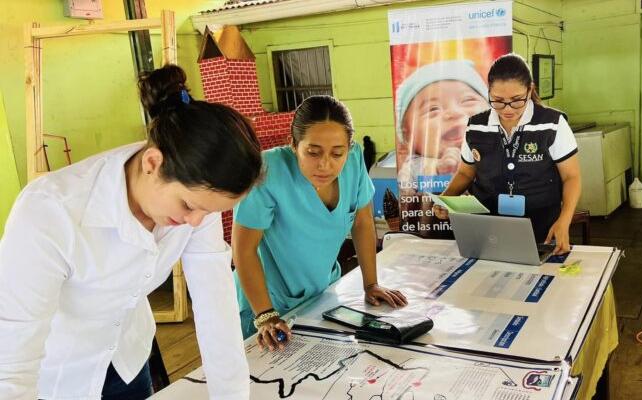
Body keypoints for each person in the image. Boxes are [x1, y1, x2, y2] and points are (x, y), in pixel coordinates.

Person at [0, 65, 263, 399]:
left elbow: (216, 302)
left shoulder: (196, 199)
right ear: (152, 163)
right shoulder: (50, 212)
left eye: (208, 212)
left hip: (127, 360)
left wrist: (232, 396)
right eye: (188, 206)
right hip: (57, 376)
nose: (197, 222)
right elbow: (12, 361)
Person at [232, 95, 408, 352]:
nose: (325, 164)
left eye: (338, 153)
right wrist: (265, 315)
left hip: (321, 293)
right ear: (293, 145)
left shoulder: (355, 160)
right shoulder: (268, 170)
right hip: (266, 302)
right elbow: (244, 250)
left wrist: (370, 284)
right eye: (313, 152)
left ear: (349, 147)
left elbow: (361, 222)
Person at [434, 54, 581, 255]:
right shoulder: (476, 126)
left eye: (516, 100)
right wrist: (447, 198)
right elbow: (466, 173)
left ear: (530, 90)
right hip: (488, 227)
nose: (507, 109)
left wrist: (564, 221)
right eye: (498, 101)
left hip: (540, 226)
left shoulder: (552, 124)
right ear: (489, 93)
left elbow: (571, 177)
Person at [395, 59, 490, 191]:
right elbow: (405, 189)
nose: (454, 112)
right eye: (433, 109)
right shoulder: (413, 167)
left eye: (468, 100)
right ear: (407, 135)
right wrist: (436, 168)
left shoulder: (501, 151)